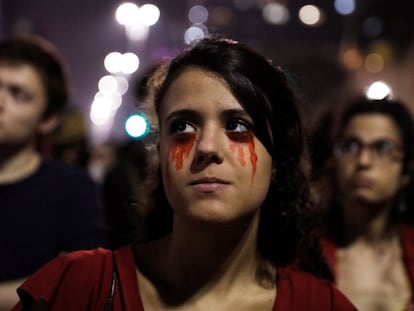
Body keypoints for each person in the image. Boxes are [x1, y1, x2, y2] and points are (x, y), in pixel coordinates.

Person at [12, 36, 356, 310]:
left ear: (278, 155)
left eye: (237, 125)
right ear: (159, 151)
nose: (206, 146)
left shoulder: (321, 305)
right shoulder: (77, 287)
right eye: (183, 126)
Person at [0, 35, 107, 310]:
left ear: (48, 118)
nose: (0, 102)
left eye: (18, 94)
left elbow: (79, 283)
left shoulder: (74, 190)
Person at [310, 96, 414, 310]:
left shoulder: (410, 250)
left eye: (383, 148)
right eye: (351, 146)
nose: (363, 161)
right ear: (334, 161)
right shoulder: (308, 255)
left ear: (406, 169)